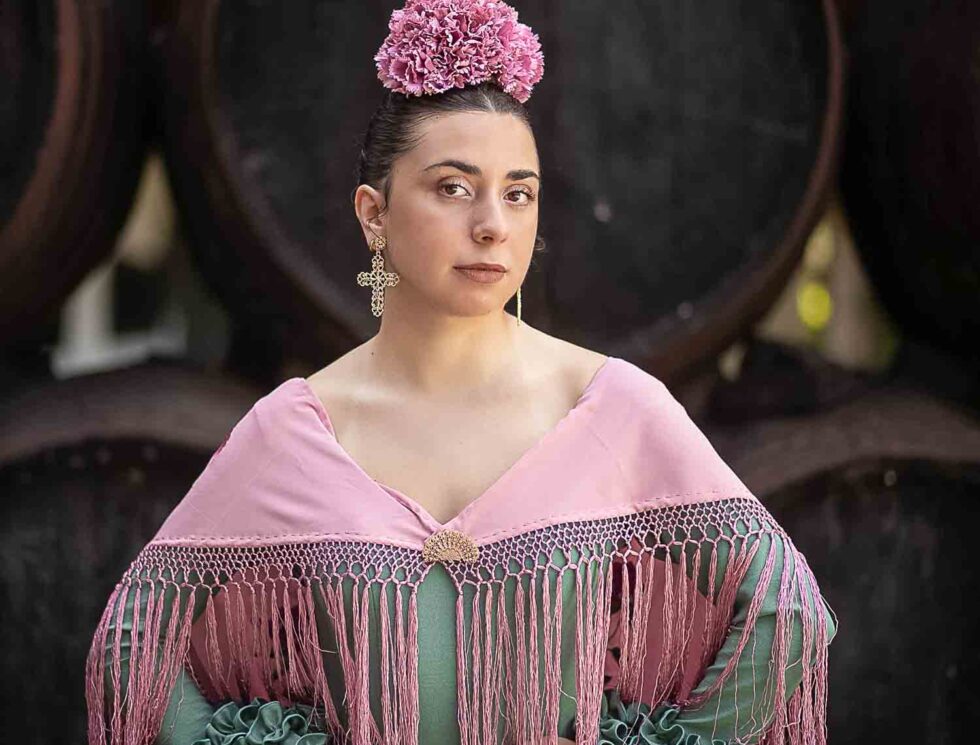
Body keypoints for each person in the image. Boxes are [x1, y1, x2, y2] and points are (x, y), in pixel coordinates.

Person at [85, 1, 838, 744]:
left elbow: (788, 612)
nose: (492, 224)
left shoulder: (608, 406)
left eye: (518, 193)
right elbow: (131, 642)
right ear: (373, 215)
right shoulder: (299, 426)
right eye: (453, 187)